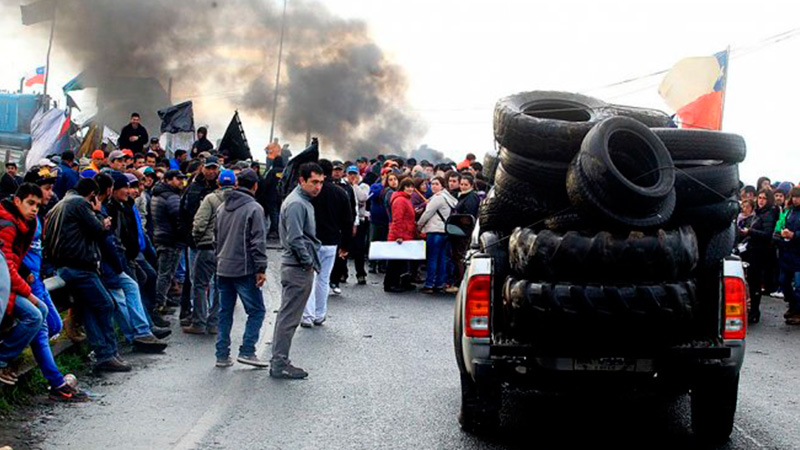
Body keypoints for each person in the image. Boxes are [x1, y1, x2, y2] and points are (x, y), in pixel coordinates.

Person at [44, 178, 132, 372]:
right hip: (80, 266)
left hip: (64, 266)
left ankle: (103, 353)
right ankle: (107, 354)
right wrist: (100, 214)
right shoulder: (80, 203)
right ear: (93, 195)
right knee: (106, 304)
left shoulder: (60, 204)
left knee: (89, 309)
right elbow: (99, 229)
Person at [100, 173, 169, 352]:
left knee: (135, 285)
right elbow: (112, 239)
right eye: (125, 187)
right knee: (121, 296)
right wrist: (119, 261)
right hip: (114, 260)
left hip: (125, 257)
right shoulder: (111, 208)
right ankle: (139, 334)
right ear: (112, 190)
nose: (129, 191)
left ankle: (142, 330)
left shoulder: (124, 206)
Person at [271, 162, 324, 379]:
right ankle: (280, 362)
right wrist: (307, 262)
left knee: (288, 316)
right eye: (314, 182)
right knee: (289, 318)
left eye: (321, 182)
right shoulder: (296, 204)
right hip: (296, 267)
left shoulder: (302, 201)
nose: (318, 187)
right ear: (302, 180)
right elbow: (295, 238)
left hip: (297, 265)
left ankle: (280, 360)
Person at [214, 169, 269, 368]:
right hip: (244, 270)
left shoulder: (221, 207)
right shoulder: (254, 208)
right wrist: (261, 268)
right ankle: (247, 350)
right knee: (257, 311)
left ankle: (221, 355)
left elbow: (216, 238)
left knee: (224, 312)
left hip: (223, 267)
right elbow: (258, 242)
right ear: (255, 186)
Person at [301, 160, 352, 327]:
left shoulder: (310, 192)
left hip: (311, 241)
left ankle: (307, 317)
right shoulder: (340, 193)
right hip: (331, 242)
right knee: (323, 279)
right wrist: (345, 245)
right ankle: (319, 315)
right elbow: (347, 221)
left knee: (310, 278)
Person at [184, 169, 235, 335]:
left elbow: (199, 224)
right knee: (222, 287)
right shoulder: (242, 202)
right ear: (235, 184)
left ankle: (199, 322)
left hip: (207, 248)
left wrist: (199, 241)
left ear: (218, 183)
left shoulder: (210, 199)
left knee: (200, 285)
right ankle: (214, 323)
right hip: (229, 251)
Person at [739, 190, 779, 324]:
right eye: (759, 198)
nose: (761, 201)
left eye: (764, 198)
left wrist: (750, 231)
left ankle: (755, 312)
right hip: (753, 251)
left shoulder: (769, 214)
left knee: (755, 283)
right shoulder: (759, 213)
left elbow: (767, 234)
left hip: (761, 253)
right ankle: (753, 310)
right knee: (752, 282)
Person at [151, 170, 188, 313]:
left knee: (165, 272)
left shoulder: (157, 194)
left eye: (182, 178)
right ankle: (159, 304)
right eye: (177, 179)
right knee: (165, 273)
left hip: (161, 237)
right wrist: (183, 234)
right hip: (170, 240)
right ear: (167, 180)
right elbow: (179, 218)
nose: (181, 181)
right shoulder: (171, 197)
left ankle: (163, 299)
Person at [417, 176, 457, 294]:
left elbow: (427, 213)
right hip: (444, 231)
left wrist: (419, 225)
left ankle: (429, 284)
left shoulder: (438, 198)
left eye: (436, 184)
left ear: (442, 186)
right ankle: (439, 283)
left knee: (432, 258)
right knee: (441, 259)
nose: (433, 186)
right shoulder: (448, 197)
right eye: (432, 184)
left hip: (435, 230)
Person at [384, 178, 417, 293]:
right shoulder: (400, 200)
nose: (410, 189)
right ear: (402, 187)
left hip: (405, 233)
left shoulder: (405, 199)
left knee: (401, 261)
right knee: (394, 262)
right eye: (407, 186)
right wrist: (398, 236)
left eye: (412, 187)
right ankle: (390, 284)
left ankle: (399, 282)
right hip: (399, 235)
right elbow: (397, 220)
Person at [347, 165, 371, 285]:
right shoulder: (344, 186)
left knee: (359, 249)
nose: (352, 176)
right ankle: (342, 273)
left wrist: (354, 185)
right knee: (344, 248)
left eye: (354, 174)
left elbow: (363, 197)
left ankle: (360, 274)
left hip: (360, 221)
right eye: (350, 174)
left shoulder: (363, 186)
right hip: (346, 221)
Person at [263, 156, 285, 239]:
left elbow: (267, 183)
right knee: (279, 213)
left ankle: (274, 230)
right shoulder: (285, 171)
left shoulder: (272, 172)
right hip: (281, 196)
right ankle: (279, 229)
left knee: (273, 213)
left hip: (271, 195)